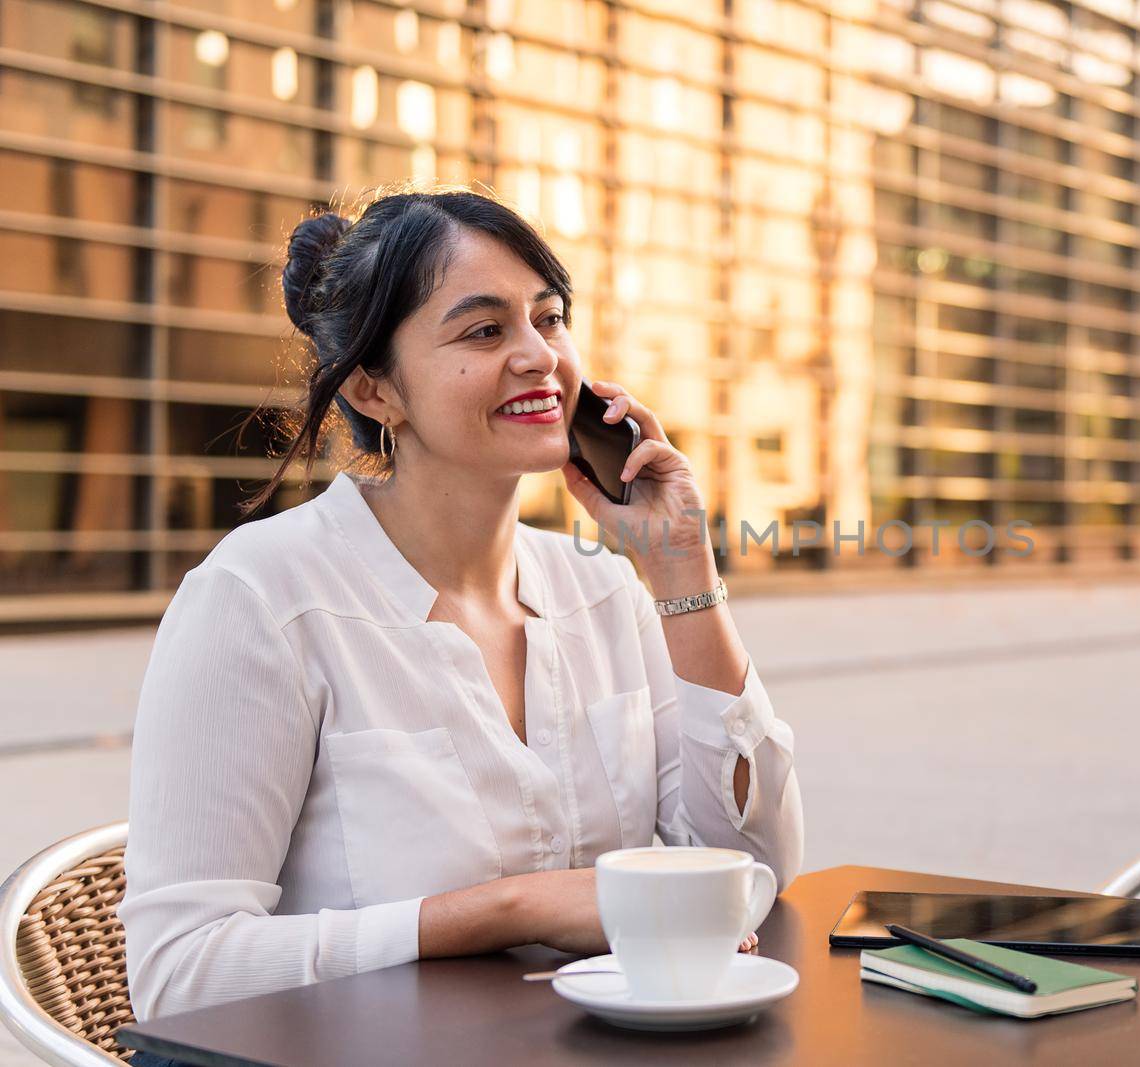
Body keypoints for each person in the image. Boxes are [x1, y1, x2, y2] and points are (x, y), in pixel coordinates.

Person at [117, 187, 804, 1051]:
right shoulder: (260, 601)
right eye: (484, 331)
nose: (539, 358)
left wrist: (680, 572)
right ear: (375, 388)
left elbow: (756, 871)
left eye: (549, 319)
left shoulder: (604, 591)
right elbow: (180, 970)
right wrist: (505, 908)